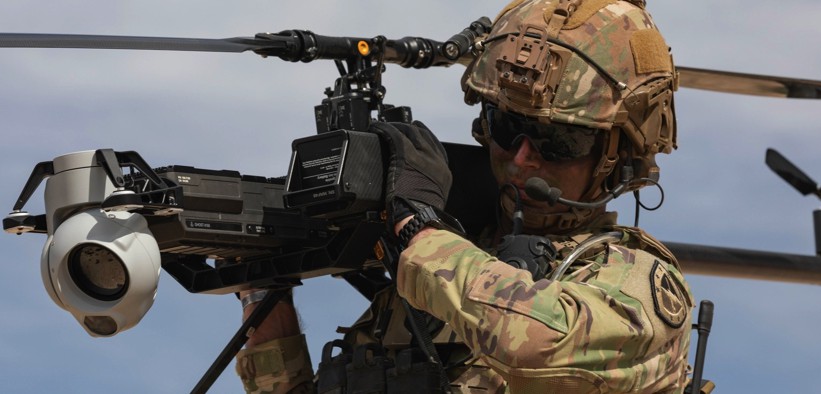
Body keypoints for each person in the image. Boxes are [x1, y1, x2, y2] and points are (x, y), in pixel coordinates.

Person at [235, 0, 693, 392]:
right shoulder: (436, 282)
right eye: (506, 126)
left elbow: (537, 342)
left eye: (558, 141)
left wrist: (419, 230)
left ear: (619, 155)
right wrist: (259, 287)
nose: (522, 159)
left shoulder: (636, 286)